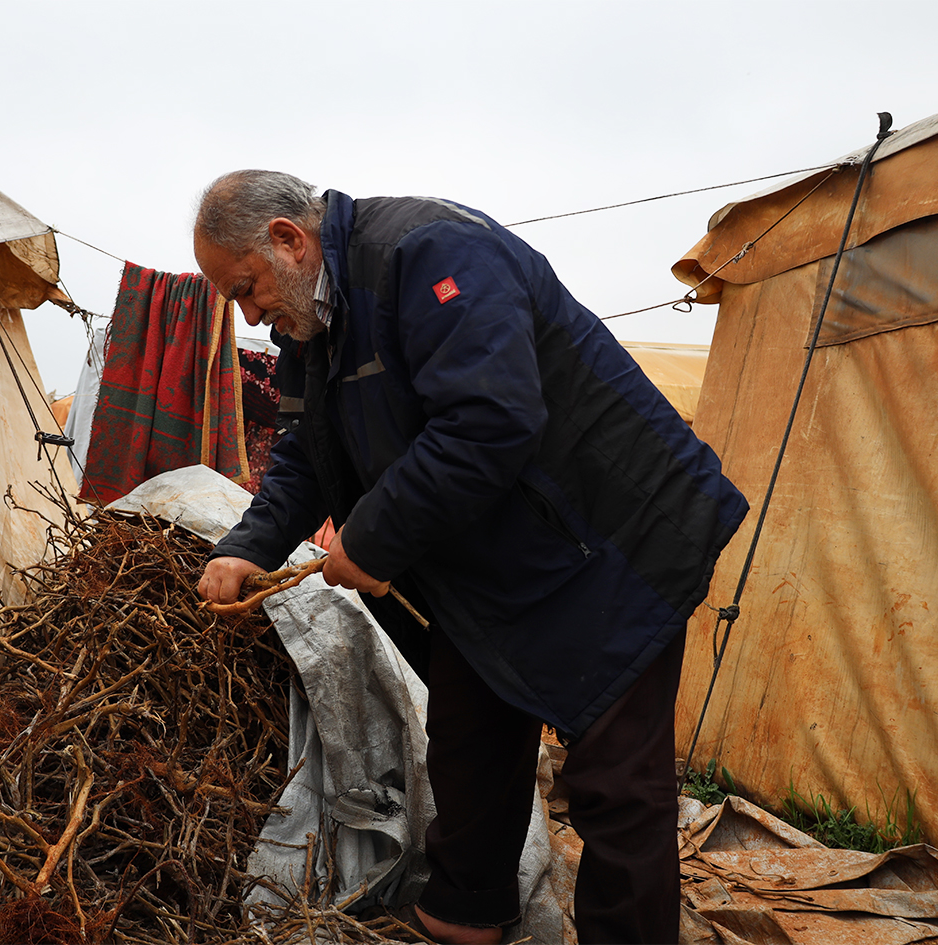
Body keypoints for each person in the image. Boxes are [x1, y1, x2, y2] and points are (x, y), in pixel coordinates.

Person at [193, 170, 748, 944]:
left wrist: (371, 537)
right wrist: (245, 548)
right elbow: (303, 455)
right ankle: (465, 918)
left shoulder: (428, 253)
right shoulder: (310, 330)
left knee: (616, 783)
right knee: (468, 749)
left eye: (245, 287)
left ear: (288, 239)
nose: (249, 313)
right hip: (492, 559)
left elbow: (491, 419)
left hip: (609, 540)